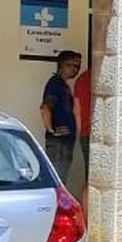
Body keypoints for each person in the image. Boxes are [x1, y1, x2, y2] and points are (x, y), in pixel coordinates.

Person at [40, 50, 81, 186]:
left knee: (61, 179)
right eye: (71, 65)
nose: (75, 69)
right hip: (59, 143)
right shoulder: (55, 84)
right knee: (57, 180)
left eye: (77, 66)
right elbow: (45, 108)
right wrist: (52, 131)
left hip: (65, 141)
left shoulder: (63, 85)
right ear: (61, 65)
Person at [73, 63, 92, 208]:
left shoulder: (81, 80)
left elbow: (77, 110)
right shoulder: (99, 78)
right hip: (98, 133)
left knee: (89, 178)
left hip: (85, 133)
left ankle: (86, 219)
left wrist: (81, 132)